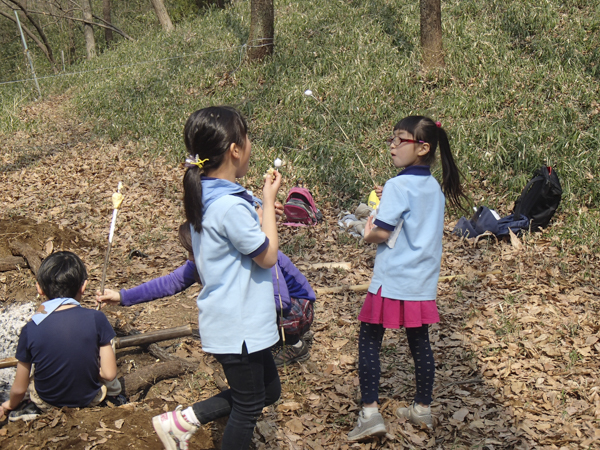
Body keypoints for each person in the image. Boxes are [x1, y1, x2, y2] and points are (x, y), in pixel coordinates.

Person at [150, 106, 282, 450]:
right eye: (247, 137)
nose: (250, 144)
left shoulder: (207, 197)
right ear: (235, 149)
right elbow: (267, 256)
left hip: (233, 320)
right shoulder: (229, 206)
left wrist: (261, 210)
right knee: (250, 404)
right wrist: (267, 203)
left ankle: (182, 421)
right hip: (240, 324)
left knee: (268, 391)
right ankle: (182, 422)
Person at [348, 116, 467, 441]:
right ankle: (422, 408)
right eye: (392, 139)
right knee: (419, 342)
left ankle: (370, 413)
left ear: (422, 147)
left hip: (392, 279)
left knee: (370, 338)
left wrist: (366, 230)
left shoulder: (400, 186)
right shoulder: (433, 189)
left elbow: (382, 232)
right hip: (422, 283)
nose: (392, 145)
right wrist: (388, 196)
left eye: (400, 140)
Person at [95, 220, 316, 367]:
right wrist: (122, 297)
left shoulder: (252, 254)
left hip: (298, 306)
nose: (190, 258)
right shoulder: (205, 259)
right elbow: (170, 283)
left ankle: (295, 343)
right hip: (277, 305)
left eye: (193, 250)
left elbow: (281, 301)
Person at [0, 251, 122, 422]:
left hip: (47, 402)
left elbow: (19, 388)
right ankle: (115, 396)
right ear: (83, 286)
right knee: (107, 342)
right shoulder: (97, 318)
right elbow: (109, 374)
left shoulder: (30, 328)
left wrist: (9, 405)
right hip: (90, 399)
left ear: (39, 288)